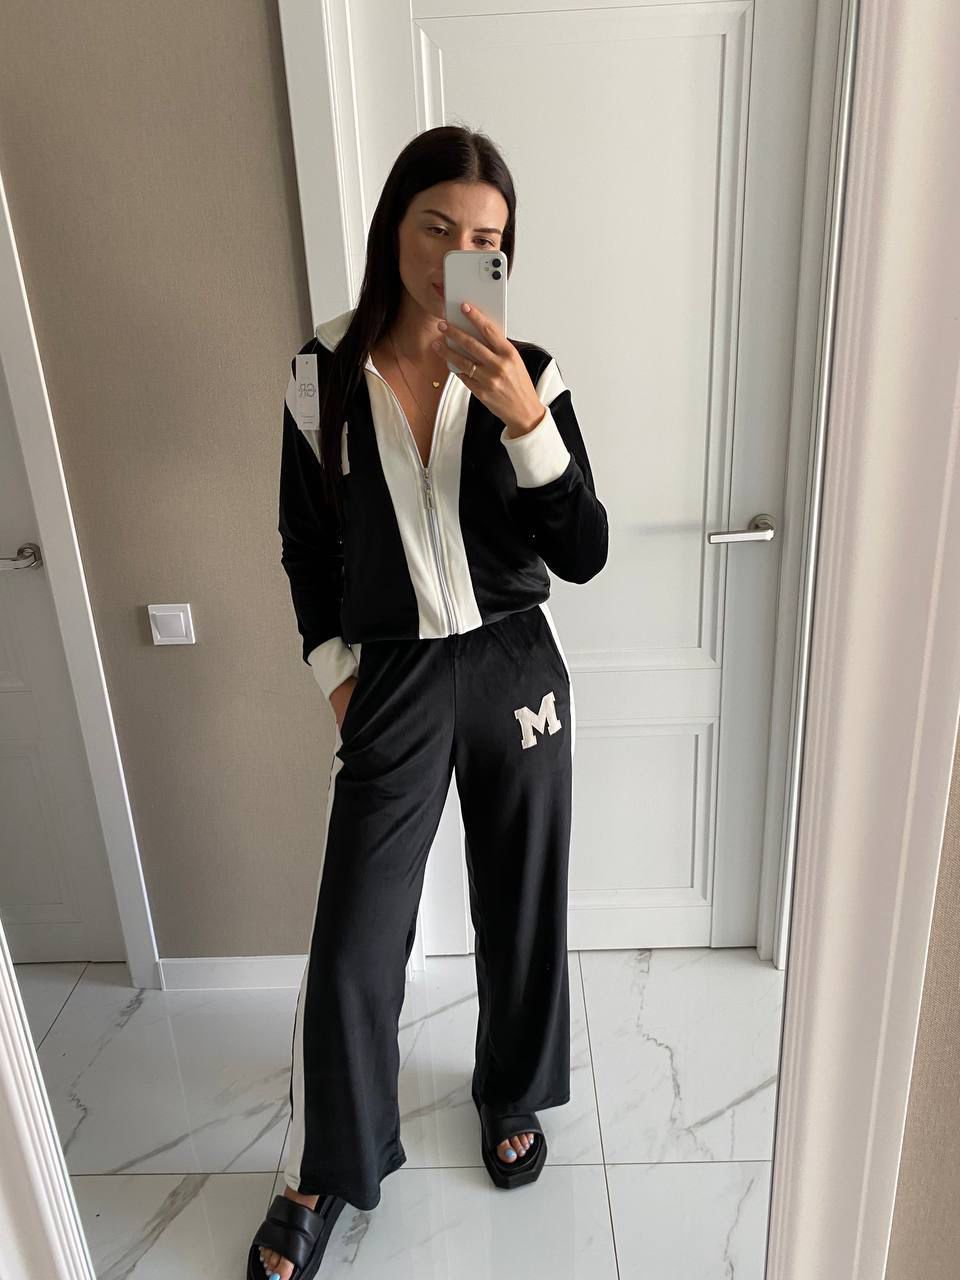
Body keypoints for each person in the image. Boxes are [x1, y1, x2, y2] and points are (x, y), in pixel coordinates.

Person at [249, 124, 609, 1280]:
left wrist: (526, 421)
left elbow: (584, 550)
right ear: (393, 228)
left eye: (485, 238)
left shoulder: (530, 370)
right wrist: (337, 676)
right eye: (437, 226)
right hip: (394, 675)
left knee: (523, 901)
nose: (458, 252)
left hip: (514, 663)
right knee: (354, 938)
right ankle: (328, 1163)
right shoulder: (320, 370)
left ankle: (511, 1086)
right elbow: (306, 544)